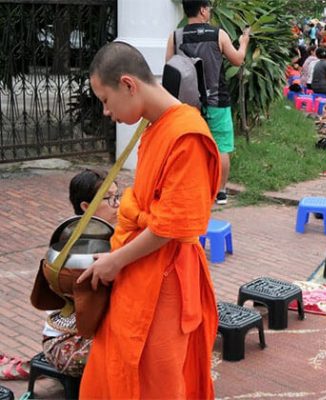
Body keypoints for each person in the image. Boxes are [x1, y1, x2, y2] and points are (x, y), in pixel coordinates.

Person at [78, 41, 221, 399]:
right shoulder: (156, 126)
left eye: (106, 101)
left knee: (157, 379)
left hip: (167, 281)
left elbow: (170, 226)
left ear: (128, 84)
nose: (107, 112)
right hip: (138, 271)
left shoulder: (186, 134)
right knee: (119, 364)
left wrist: (115, 261)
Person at [165, 0, 249, 206]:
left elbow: (169, 66)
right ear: (202, 10)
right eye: (209, 8)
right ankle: (220, 192)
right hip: (217, 100)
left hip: (187, 103)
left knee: (191, 144)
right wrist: (244, 41)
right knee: (221, 146)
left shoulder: (175, 36)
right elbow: (238, 60)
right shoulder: (218, 34)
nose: (210, 12)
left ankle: (192, 188)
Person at [41, 169, 119, 377]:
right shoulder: (71, 246)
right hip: (66, 341)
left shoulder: (111, 235)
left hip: (93, 330)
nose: (117, 204)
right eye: (109, 198)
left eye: (117, 196)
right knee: (127, 350)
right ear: (86, 206)